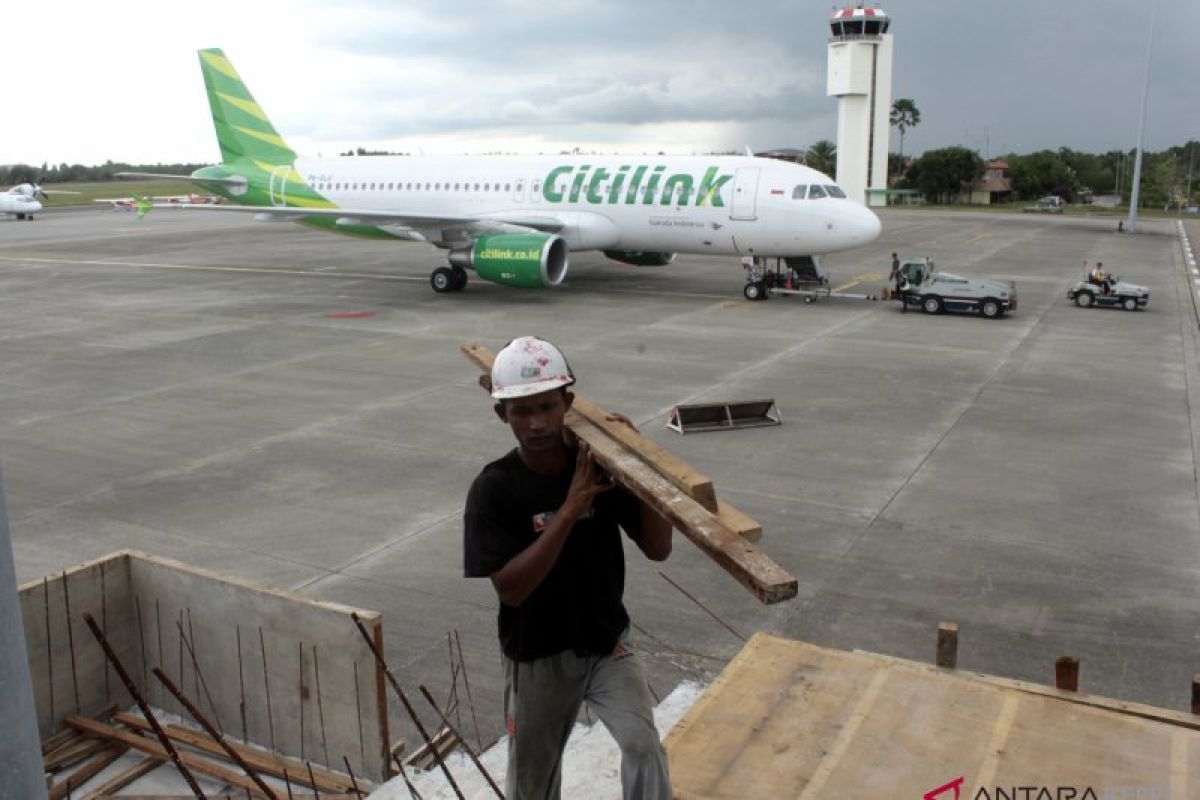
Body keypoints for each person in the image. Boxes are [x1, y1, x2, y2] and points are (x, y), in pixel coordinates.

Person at [464, 336, 674, 800]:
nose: (537, 424)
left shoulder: (598, 467)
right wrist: (570, 508)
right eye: (521, 411)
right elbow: (512, 590)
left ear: (568, 404)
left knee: (644, 748)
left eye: (546, 407)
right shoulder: (495, 489)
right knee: (532, 783)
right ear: (502, 415)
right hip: (539, 657)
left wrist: (645, 471)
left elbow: (658, 549)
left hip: (606, 644)